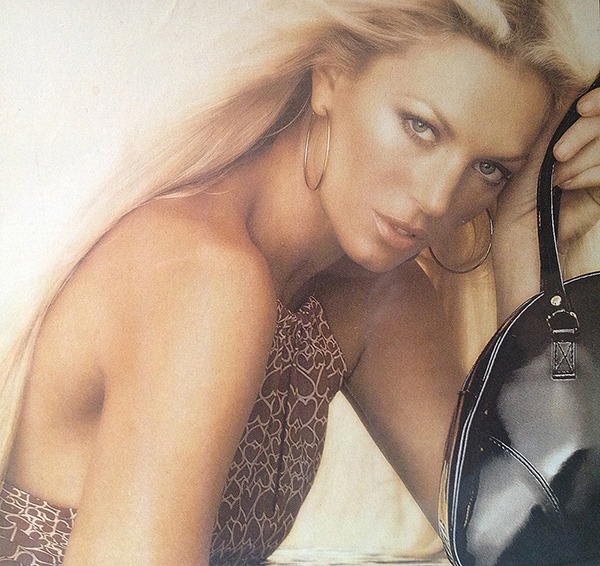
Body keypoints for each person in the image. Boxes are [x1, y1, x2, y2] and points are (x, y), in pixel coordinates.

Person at [1, 1, 599, 564]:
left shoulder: (373, 294)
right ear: (330, 77)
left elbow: (523, 540)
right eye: (420, 127)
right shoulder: (203, 278)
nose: (438, 197)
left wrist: (527, 235)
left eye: (490, 168)